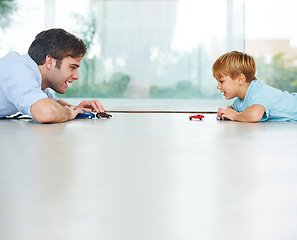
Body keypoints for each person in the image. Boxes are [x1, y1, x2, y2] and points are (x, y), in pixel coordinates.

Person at [0, 28, 105, 123]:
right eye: (72, 67)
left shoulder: (34, 79)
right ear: (50, 61)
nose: (76, 76)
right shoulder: (18, 70)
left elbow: (52, 103)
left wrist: (76, 109)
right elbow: (47, 113)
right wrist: (68, 113)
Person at [213, 51, 297, 122]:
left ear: (240, 79)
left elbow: (254, 115)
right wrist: (227, 111)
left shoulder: (258, 92)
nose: (218, 86)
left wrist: (235, 116)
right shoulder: (241, 100)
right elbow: (233, 108)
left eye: (221, 81)